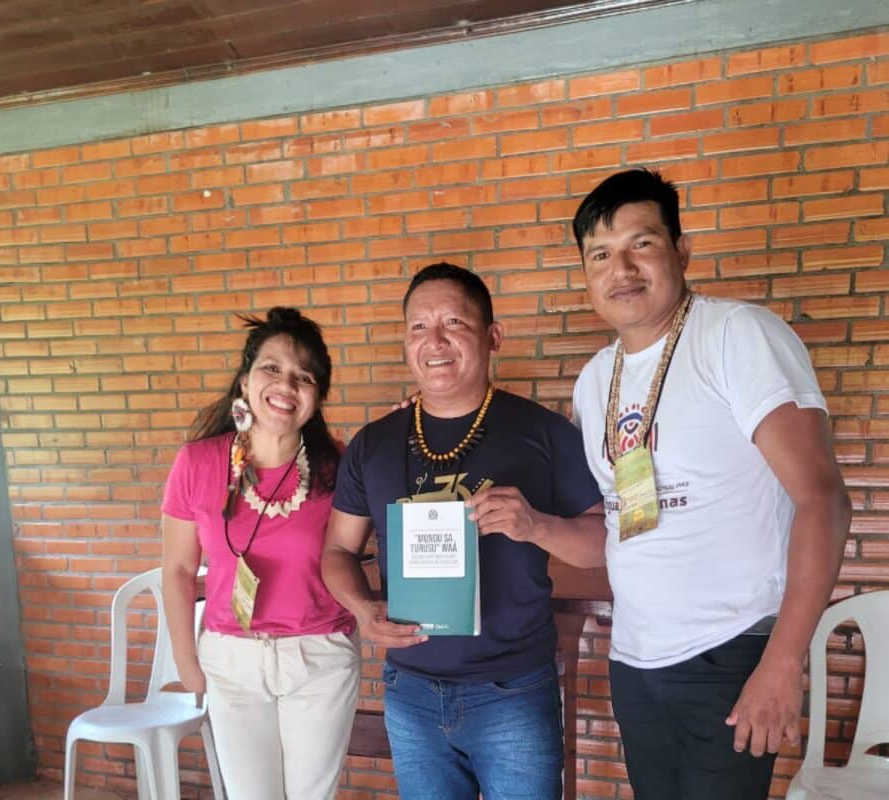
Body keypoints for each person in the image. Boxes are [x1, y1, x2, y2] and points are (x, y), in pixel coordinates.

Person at [570, 169, 851, 800]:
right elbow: (614, 529)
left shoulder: (736, 335)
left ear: (681, 251)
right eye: (601, 254)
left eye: (642, 243)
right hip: (635, 661)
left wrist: (783, 662)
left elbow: (823, 500)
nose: (622, 269)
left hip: (731, 653)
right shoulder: (593, 382)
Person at [321, 262, 605, 800]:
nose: (435, 341)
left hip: (513, 690)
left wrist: (537, 526)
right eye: (419, 326)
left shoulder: (543, 432)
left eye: (454, 322)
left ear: (493, 336)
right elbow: (337, 549)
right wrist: (362, 610)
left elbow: (603, 544)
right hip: (410, 690)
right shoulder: (373, 443)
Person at [161, 307, 361, 800]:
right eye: (272, 368)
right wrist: (186, 662)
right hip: (231, 660)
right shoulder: (197, 462)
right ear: (245, 381)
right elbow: (179, 569)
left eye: (304, 376)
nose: (286, 384)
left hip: (319, 657)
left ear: (317, 397)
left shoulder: (339, 467)